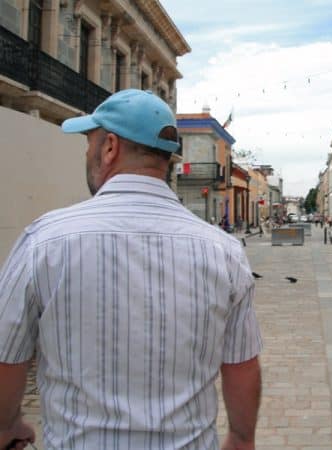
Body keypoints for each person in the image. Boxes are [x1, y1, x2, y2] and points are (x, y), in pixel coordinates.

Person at [0, 89, 262, 450]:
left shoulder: (44, 241)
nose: (87, 154)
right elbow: (241, 364)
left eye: (88, 144)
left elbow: (6, 355)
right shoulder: (224, 251)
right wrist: (242, 438)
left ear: (109, 147)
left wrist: (7, 425)